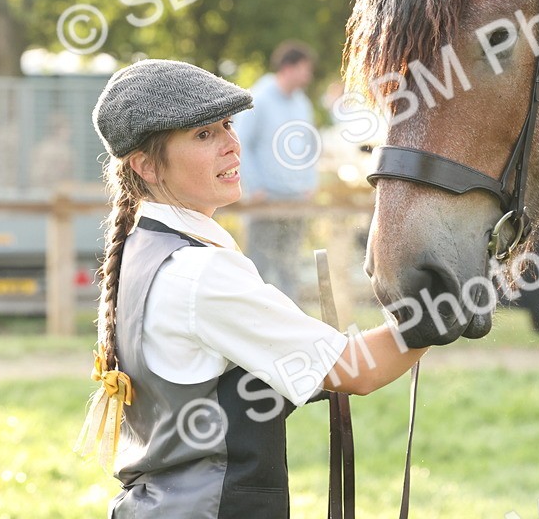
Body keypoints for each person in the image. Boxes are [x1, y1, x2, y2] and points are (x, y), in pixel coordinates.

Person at [77, 59, 427, 519]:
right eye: (203, 135)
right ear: (146, 165)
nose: (232, 146)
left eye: (227, 125)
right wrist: (442, 310)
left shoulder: (145, 247)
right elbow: (357, 371)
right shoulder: (199, 272)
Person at [233, 41, 318, 301]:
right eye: (304, 69)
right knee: (260, 266)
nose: (308, 76)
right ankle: (257, 320)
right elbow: (240, 142)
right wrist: (253, 185)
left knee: (290, 265)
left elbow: (309, 145)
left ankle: (290, 324)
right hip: (265, 199)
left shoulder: (302, 103)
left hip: (295, 200)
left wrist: (309, 183)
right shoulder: (258, 99)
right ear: (288, 68)